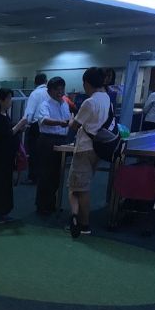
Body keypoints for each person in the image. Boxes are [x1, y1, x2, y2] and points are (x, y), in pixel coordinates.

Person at [65, 67, 111, 238]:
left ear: (86, 83)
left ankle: (83, 224)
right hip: (97, 148)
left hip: (84, 148)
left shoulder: (89, 102)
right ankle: (76, 218)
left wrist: (70, 121)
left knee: (78, 188)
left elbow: (75, 125)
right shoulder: (106, 98)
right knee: (80, 186)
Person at [0, 88, 28, 223]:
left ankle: (1, 211)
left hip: (6, 155)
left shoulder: (3, 115)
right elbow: (6, 134)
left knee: (4, 183)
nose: (10, 101)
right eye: (8, 98)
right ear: (1, 100)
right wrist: (20, 124)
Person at [35, 77, 72, 215]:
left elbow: (68, 120)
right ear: (49, 91)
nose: (60, 91)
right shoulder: (45, 104)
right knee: (46, 173)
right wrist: (59, 122)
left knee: (57, 174)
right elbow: (44, 120)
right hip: (48, 140)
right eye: (57, 89)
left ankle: (51, 203)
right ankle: (41, 205)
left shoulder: (64, 103)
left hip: (62, 140)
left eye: (62, 88)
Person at [22, 73, 49, 184]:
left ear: (35, 82)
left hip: (36, 126)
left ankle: (33, 177)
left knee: (33, 152)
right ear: (46, 81)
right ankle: (43, 175)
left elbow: (29, 113)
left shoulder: (35, 93)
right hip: (48, 125)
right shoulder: (50, 92)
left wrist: (24, 124)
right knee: (44, 152)